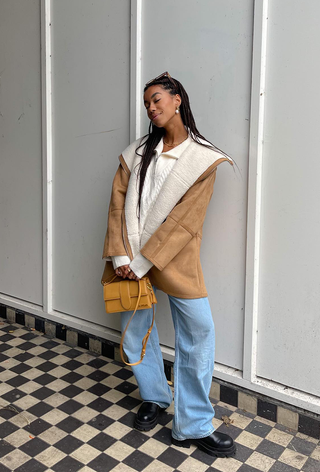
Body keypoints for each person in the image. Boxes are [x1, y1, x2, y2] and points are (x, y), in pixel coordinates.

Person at [101, 72, 236, 458]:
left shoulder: (202, 159)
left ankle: (192, 422)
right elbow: (116, 205)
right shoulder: (136, 153)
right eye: (147, 103)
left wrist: (142, 262)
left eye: (157, 99)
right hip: (128, 259)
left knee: (199, 332)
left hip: (173, 259)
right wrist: (123, 257)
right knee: (135, 331)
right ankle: (155, 397)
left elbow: (185, 221)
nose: (152, 107)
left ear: (178, 100)